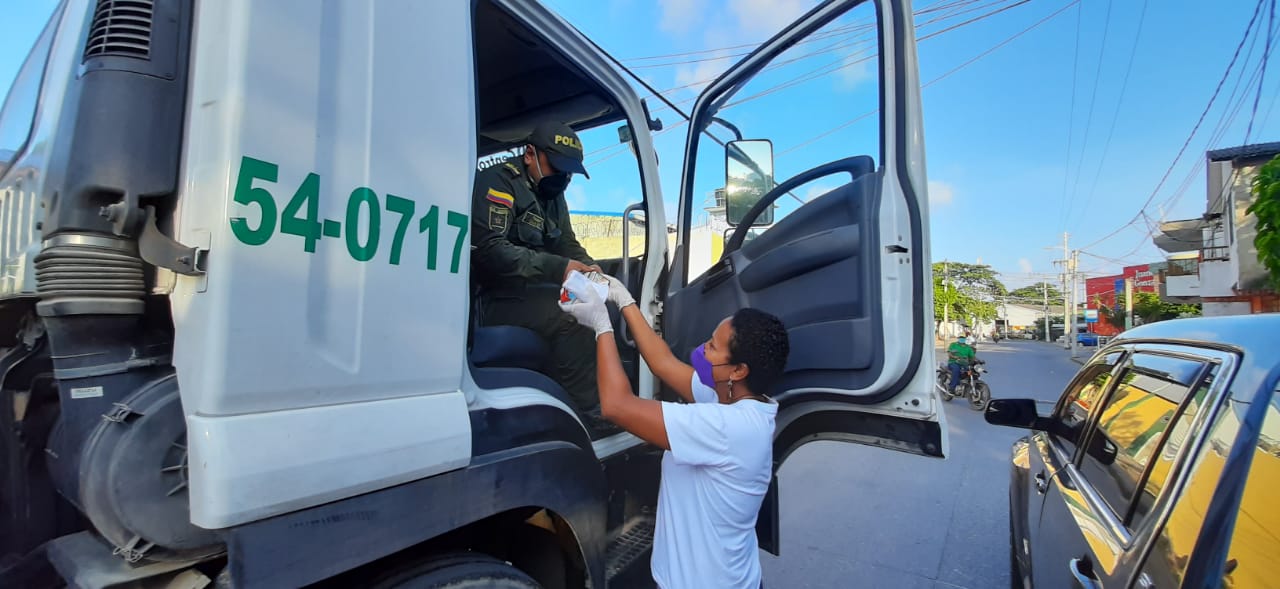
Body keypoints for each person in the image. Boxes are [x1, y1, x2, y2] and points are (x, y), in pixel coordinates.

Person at [558, 273, 789, 589]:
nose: (702, 349)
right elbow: (663, 362)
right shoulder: (731, 398)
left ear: (738, 370)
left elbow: (616, 405)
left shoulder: (729, 428)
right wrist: (625, 301)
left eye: (712, 347)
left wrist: (602, 327)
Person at [471, 121, 603, 413]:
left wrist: (589, 266)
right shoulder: (500, 181)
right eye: (557, 168)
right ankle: (588, 414)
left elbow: (566, 243)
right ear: (530, 154)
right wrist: (560, 268)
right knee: (572, 316)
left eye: (569, 172)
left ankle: (604, 399)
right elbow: (491, 250)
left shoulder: (554, 198)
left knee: (597, 307)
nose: (564, 178)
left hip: (529, 294)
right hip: (492, 299)